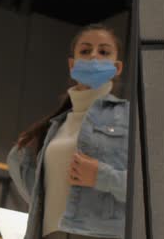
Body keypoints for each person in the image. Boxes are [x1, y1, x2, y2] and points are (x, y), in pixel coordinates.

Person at [7, 24, 129, 239]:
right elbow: (37, 191)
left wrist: (102, 176)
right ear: (72, 64)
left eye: (103, 51)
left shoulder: (128, 117)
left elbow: (147, 191)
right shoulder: (55, 126)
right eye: (85, 50)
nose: (93, 56)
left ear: (117, 67)